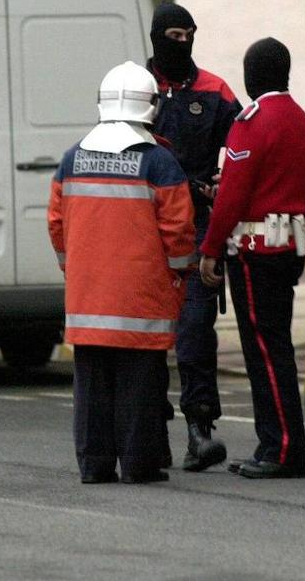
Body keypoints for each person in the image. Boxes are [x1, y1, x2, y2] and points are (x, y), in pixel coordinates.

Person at [48, 61, 196, 485]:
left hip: (88, 300)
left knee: (91, 387)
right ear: (150, 107)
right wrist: (180, 276)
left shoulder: (71, 160)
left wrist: (74, 269)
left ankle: (94, 465)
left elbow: (57, 225)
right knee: (141, 386)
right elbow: (180, 234)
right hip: (141, 302)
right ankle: (138, 464)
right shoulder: (160, 163)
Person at [198, 37, 305, 479]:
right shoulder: (303, 121)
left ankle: (282, 448)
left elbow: (234, 196)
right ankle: (275, 442)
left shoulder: (252, 122)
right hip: (289, 246)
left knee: (265, 353)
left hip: (254, 251)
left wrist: (210, 249)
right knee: (276, 347)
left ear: (254, 75)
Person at [147, 2, 242, 472]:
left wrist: (225, 186)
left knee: (194, 333)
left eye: (189, 35)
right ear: (156, 38)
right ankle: (147, 428)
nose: (182, 44)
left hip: (199, 228)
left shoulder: (214, 90)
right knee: (143, 332)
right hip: (142, 229)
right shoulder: (136, 90)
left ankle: (199, 430)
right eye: (173, 36)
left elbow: (245, 148)